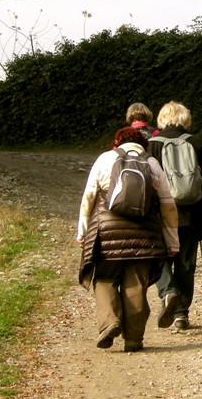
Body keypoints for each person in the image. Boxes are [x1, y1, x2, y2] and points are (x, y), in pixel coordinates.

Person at [76, 126, 179, 352]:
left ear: (116, 143)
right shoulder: (151, 163)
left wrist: (82, 232)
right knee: (136, 285)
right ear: (143, 145)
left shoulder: (105, 160)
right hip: (145, 237)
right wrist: (172, 241)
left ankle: (110, 321)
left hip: (107, 234)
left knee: (104, 279)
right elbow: (168, 205)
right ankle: (133, 340)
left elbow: (89, 196)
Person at [148, 101, 202, 331]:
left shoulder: (150, 146)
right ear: (185, 119)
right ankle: (181, 314)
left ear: (161, 120)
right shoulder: (196, 144)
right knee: (185, 264)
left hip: (160, 216)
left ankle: (168, 291)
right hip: (192, 216)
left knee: (157, 259)